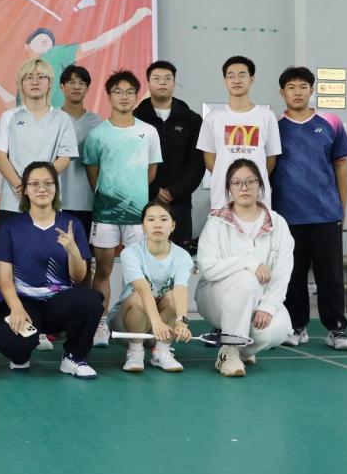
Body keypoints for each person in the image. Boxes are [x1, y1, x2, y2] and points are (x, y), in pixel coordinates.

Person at [0, 161, 103, 378]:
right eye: (34, 184)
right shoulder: (10, 227)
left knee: (90, 300)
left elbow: (79, 278)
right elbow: (4, 279)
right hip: (23, 303)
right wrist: (16, 308)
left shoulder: (72, 225)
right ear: (25, 190)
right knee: (14, 346)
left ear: (56, 187)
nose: (41, 189)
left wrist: (73, 250)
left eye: (48, 183)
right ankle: (20, 354)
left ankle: (74, 357)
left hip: (58, 303)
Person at [271, 67, 347, 350]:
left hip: (325, 214)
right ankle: (297, 326)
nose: (297, 92)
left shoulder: (331, 122)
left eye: (303, 86)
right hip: (287, 216)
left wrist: (341, 208)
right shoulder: (274, 126)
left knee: (330, 275)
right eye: (291, 87)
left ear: (311, 90)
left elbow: (341, 166)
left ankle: (337, 329)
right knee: (292, 275)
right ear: (282, 92)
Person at [195, 159, 294, 377]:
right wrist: (250, 263)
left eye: (250, 181)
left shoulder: (278, 224)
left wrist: (268, 306)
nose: (244, 188)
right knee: (246, 280)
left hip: (259, 298)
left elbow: (283, 271)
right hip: (215, 297)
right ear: (229, 188)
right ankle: (230, 352)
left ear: (260, 185)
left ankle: (238, 350)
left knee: (280, 329)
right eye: (237, 183)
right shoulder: (216, 223)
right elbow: (208, 268)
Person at [84, 70, 162, 346]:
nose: (124, 97)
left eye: (130, 92)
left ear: (137, 96)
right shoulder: (97, 134)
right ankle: (100, 324)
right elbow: (93, 173)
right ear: (109, 96)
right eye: (118, 91)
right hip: (105, 214)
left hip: (137, 216)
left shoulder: (148, 132)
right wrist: (111, 198)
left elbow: (151, 172)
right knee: (103, 270)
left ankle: (134, 323)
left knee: (139, 273)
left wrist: (132, 195)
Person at [0, 8, 152, 108]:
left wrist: (133, 20)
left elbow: (99, 43)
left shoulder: (57, 53)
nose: (45, 41)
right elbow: (14, 104)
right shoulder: (25, 75)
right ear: (27, 45)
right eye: (40, 38)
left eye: (49, 41)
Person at [107, 201, 193, 373]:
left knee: (172, 296)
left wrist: (181, 322)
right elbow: (142, 288)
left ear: (173, 225)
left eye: (164, 219)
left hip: (161, 331)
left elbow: (181, 289)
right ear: (143, 226)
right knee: (138, 297)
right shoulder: (130, 253)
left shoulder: (183, 256)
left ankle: (162, 351)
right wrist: (157, 323)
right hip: (126, 328)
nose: (157, 225)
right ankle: (135, 352)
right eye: (151, 219)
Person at [0, 58, 77, 231]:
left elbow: (65, 157)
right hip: (13, 201)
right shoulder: (9, 117)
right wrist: (21, 187)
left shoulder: (62, 118)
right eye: (28, 77)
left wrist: (39, 185)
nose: (35, 81)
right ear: (21, 84)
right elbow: (0, 157)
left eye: (41, 76)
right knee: (8, 248)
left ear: (50, 83)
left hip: (48, 200)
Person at [133, 60, 204, 250]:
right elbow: (132, 163)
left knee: (179, 256)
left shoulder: (192, 119)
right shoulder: (135, 118)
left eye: (167, 78)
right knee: (144, 256)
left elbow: (197, 163)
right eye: (156, 78)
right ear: (148, 83)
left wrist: (174, 191)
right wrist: (154, 190)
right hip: (143, 199)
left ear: (174, 82)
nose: (162, 82)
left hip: (180, 201)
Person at [196, 55, 282, 211]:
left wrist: (252, 181)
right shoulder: (213, 118)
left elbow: (271, 159)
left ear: (252, 79)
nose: (236, 80)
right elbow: (209, 159)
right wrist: (229, 179)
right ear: (225, 81)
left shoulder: (267, 116)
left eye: (242, 75)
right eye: (231, 76)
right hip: (222, 198)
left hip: (258, 199)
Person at [56, 64, 102, 241]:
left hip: (88, 203)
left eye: (82, 83)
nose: (77, 87)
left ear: (88, 88)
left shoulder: (97, 122)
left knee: (85, 254)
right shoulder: (53, 118)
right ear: (62, 86)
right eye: (71, 82)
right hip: (57, 202)